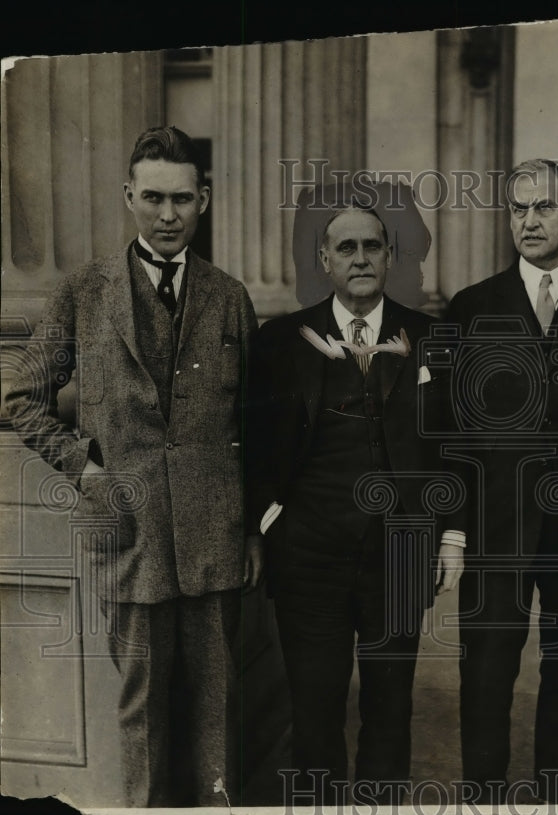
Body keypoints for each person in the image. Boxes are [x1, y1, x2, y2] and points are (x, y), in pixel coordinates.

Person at [3, 126, 261, 807]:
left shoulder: (231, 297)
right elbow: (20, 396)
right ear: (129, 197)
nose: (168, 215)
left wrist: (255, 532)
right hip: (127, 534)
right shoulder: (84, 292)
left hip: (215, 541)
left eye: (181, 199)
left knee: (215, 716)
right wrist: (84, 469)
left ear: (203, 200)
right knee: (140, 709)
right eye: (153, 198)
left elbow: (254, 428)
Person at [247, 205, 464, 804]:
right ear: (325, 260)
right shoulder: (281, 341)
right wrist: (271, 520)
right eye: (346, 248)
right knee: (314, 713)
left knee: (390, 712)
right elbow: (254, 444)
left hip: (399, 556)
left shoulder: (429, 339)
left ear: (390, 256)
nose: (361, 258)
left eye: (373, 246)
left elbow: (456, 446)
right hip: (309, 558)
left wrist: (451, 537)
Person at [442, 158, 558, 804]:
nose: (529, 220)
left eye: (544, 207)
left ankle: (553, 793)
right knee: (487, 675)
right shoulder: (471, 307)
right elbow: (455, 431)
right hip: (497, 527)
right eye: (518, 208)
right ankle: (483, 798)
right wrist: (457, 528)